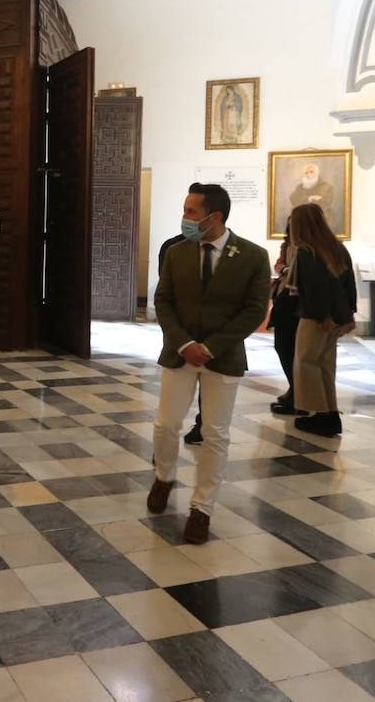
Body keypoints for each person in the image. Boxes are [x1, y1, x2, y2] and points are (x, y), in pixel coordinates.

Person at [149, 183, 270, 543]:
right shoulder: (177, 252)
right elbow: (163, 300)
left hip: (223, 355)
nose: (184, 218)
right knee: (167, 424)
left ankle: (201, 508)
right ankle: (165, 476)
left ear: (214, 217)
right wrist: (185, 343)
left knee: (215, 434)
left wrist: (211, 347)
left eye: (191, 212)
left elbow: (253, 310)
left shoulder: (252, 255)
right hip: (180, 352)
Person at [287, 204, 357, 437]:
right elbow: (349, 284)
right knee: (326, 364)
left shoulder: (307, 251)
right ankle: (331, 413)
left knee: (306, 363)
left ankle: (318, 415)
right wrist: (348, 314)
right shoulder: (337, 247)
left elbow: (314, 289)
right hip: (336, 317)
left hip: (316, 318)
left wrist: (321, 317)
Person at [158, 183, 205, 446]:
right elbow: (164, 294)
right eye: (184, 211)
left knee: (214, 416)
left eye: (191, 211)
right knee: (168, 414)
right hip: (179, 335)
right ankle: (163, 458)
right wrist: (180, 337)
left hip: (215, 341)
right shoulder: (172, 248)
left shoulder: (240, 253)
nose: (185, 217)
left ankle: (202, 425)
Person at [267, 234, 304, 416]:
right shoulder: (287, 244)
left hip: (298, 303)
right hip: (285, 297)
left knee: (293, 350)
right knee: (283, 347)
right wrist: (285, 268)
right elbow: (280, 264)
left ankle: (300, 397)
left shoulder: (309, 249)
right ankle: (295, 391)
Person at [289, 162, 336, 229]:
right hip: (302, 218)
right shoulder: (299, 187)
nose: (308, 174)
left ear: (317, 173)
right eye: (306, 173)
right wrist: (310, 198)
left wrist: (318, 200)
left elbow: (327, 203)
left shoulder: (326, 186)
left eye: (311, 172)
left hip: (320, 218)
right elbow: (293, 200)